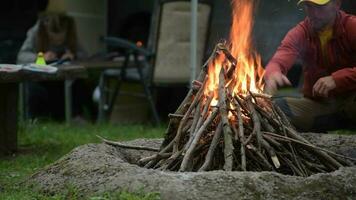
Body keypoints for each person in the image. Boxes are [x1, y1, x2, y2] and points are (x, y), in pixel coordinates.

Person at [264, 0, 356, 132]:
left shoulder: (352, 26)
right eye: (308, 6)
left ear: (337, 4)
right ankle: (333, 122)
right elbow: (279, 59)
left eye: (320, 7)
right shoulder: (301, 32)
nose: (313, 13)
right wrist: (274, 73)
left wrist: (337, 79)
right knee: (276, 108)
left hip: (352, 100)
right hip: (321, 105)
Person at [17, 12, 93, 121]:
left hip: (64, 78)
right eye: (53, 39)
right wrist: (40, 57)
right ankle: (34, 119)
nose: (57, 42)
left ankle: (76, 116)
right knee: (34, 90)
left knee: (80, 85)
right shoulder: (36, 32)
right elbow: (22, 56)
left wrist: (73, 56)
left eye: (61, 39)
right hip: (41, 78)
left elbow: (85, 55)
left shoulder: (71, 33)